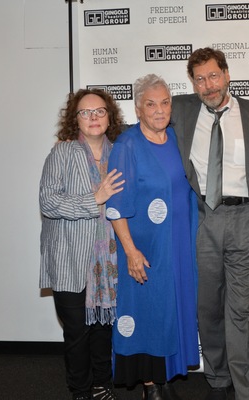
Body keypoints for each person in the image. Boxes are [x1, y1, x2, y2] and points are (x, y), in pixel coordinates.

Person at [170, 48, 249, 400]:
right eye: (199, 79)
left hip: (244, 220)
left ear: (227, 75)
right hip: (202, 220)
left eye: (213, 76)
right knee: (208, 307)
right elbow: (145, 117)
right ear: (192, 83)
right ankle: (217, 379)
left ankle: (245, 392)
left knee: (241, 311)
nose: (208, 85)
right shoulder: (180, 110)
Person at [105, 74, 199, 400]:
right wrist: (130, 251)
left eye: (164, 102)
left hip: (178, 245)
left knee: (170, 309)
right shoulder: (126, 145)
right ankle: (149, 384)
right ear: (138, 108)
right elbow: (115, 208)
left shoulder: (175, 138)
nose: (159, 110)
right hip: (145, 247)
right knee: (146, 310)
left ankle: (165, 377)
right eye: (151, 104)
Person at [39, 88, 125, 400]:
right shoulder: (62, 152)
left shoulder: (120, 152)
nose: (93, 117)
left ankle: (103, 386)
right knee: (77, 333)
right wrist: (95, 199)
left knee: (103, 329)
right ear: (74, 119)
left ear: (109, 115)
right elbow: (48, 202)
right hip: (70, 260)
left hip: (110, 260)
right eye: (85, 112)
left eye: (99, 111)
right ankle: (80, 391)